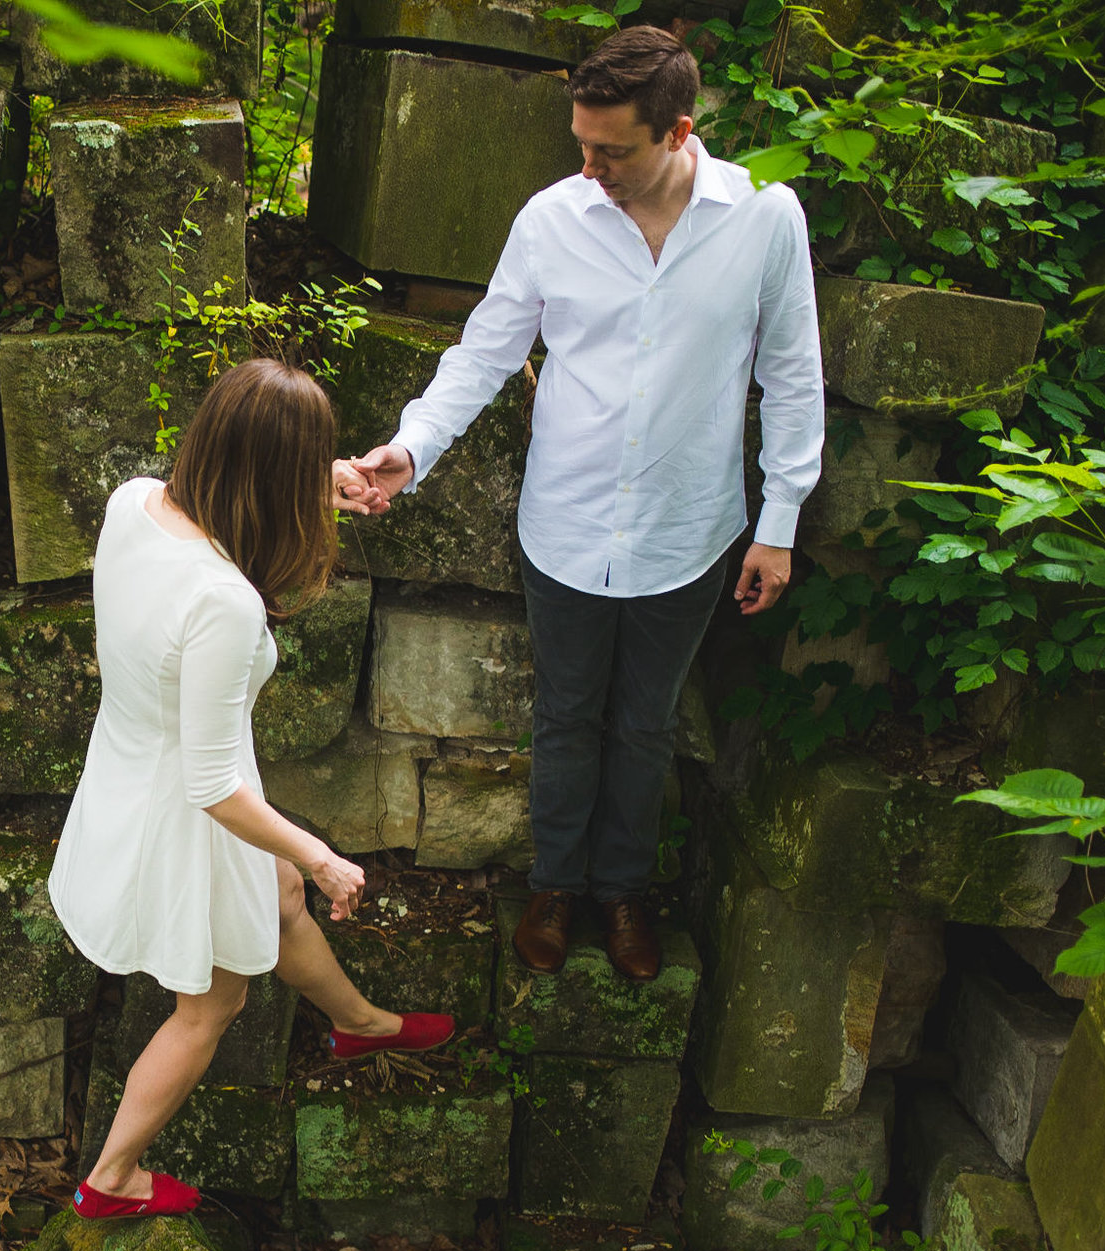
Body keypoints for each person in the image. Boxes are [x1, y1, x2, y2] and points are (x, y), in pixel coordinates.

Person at [337, 24, 824, 983]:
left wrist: (780, 525)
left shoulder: (767, 218)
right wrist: (410, 447)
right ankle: (556, 884)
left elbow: (795, 376)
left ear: (679, 131)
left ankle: (624, 892)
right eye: (581, 145)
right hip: (563, 526)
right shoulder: (552, 220)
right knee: (564, 716)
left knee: (647, 721)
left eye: (613, 149)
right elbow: (484, 351)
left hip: (690, 530)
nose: (590, 165)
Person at [49, 358, 455, 1220]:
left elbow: (238, 497)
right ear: (273, 472)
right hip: (186, 808)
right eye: (311, 461)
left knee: (273, 897)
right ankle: (113, 1176)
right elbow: (209, 786)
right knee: (216, 1001)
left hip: (125, 769)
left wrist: (322, 482)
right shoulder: (225, 603)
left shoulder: (133, 502)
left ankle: (359, 1023)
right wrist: (322, 855)